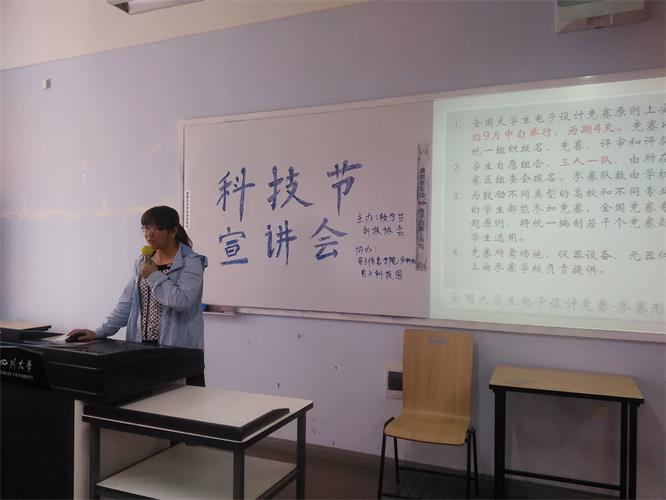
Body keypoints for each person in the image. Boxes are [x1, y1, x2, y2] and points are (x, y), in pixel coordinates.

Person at [67, 206, 208, 379]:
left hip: (178, 352)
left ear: (173, 231)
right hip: (142, 349)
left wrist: (154, 276)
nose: (149, 234)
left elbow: (182, 301)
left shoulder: (191, 262)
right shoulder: (143, 261)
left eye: (157, 228)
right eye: (146, 228)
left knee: (179, 397)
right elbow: (126, 304)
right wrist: (98, 333)